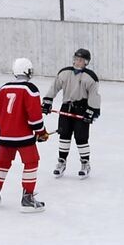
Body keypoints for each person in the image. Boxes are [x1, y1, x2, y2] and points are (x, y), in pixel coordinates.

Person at [0, 58, 49, 210]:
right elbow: (35, 116)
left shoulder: (4, 89)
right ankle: (27, 198)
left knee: (2, 163)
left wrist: (3, 127)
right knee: (31, 162)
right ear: (28, 71)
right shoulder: (30, 89)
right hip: (23, 137)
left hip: (5, 136)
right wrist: (41, 132)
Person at [44, 48, 101, 179]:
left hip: (82, 110)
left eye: (80, 60)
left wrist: (91, 111)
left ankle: (85, 163)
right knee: (64, 135)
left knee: (81, 138)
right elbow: (54, 87)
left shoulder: (90, 77)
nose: (77, 61)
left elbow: (94, 95)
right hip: (66, 108)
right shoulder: (64, 73)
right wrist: (47, 100)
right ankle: (61, 162)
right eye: (76, 58)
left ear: (86, 62)